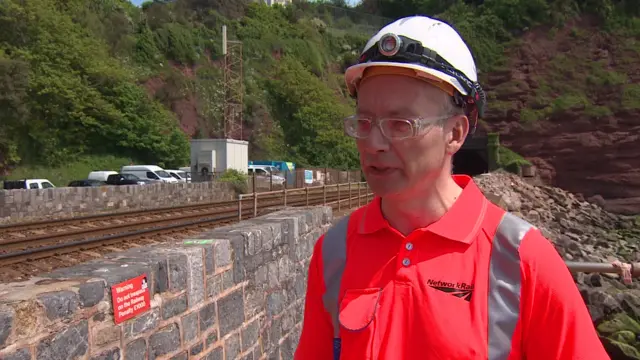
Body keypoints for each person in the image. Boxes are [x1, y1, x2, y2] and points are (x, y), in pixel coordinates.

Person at [294, 15, 610, 360]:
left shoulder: (521, 260)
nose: (374, 142)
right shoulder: (334, 252)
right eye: (364, 121)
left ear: (455, 134)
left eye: (400, 124)